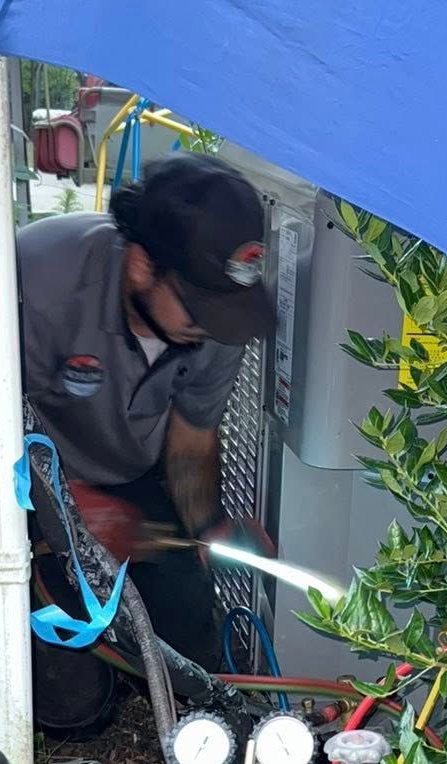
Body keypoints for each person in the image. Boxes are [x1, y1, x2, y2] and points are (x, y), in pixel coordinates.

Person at [18, 152, 274, 687]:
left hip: (135, 474)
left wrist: (209, 530)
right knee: (68, 687)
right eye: (198, 309)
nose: (211, 328)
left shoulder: (218, 322)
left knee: (192, 651)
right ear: (141, 265)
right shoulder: (37, 282)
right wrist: (61, 504)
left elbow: (192, 437)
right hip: (23, 483)